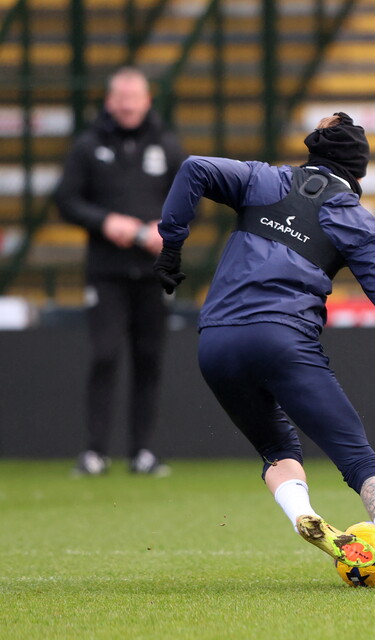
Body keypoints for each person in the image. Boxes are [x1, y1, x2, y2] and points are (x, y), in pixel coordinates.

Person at [153, 112, 375, 591]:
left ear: (313, 153)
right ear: (357, 173)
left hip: (215, 341)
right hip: (282, 340)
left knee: (277, 448)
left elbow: (194, 167)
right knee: (360, 460)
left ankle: (304, 514)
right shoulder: (352, 217)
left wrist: (172, 247)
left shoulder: (263, 179)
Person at [55, 66, 185, 477]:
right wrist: (106, 222)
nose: (128, 104)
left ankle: (142, 452)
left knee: (149, 358)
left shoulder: (167, 145)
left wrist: (169, 232)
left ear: (147, 101)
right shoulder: (88, 145)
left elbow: (190, 200)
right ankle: (94, 452)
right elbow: (66, 200)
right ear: (110, 101)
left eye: (135, 97)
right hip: (106, 272)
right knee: (105, 355)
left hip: (154, 271)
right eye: (121, 97)